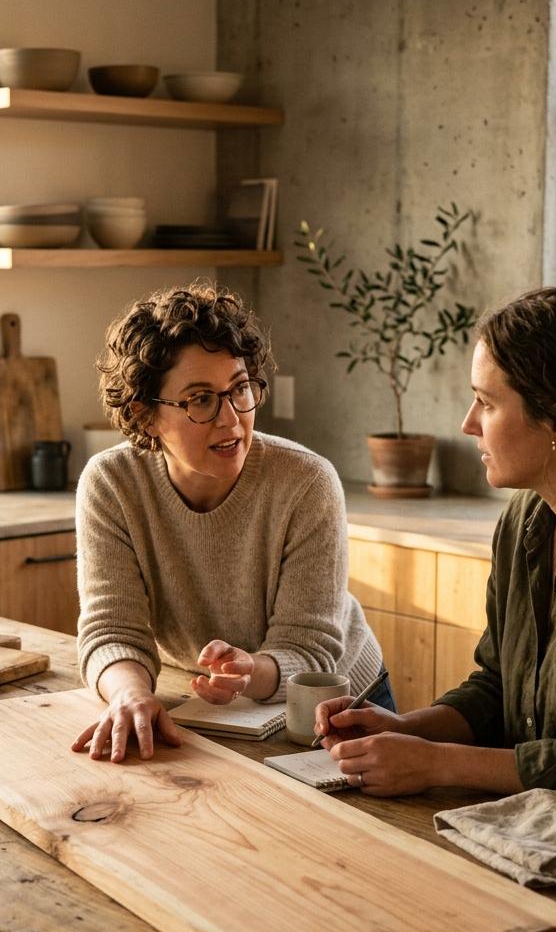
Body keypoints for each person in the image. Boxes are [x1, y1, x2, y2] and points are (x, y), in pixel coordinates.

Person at [315, 284, 556, 805]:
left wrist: (434, 763)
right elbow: (496, 688)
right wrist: (405, 729)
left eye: (486, 402)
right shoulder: (525, 520)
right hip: (529, 825)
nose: (467, 423)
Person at [71, 281, 395, 762]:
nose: (232, 419)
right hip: (210, 708)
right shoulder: (111, 483)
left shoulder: (306, 482)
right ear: (146, 416)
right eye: (200, 399)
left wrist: (250, 671)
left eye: (240, 389)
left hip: (333, 704)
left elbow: (308, 648)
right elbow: (112, 631)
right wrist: (129, 693)